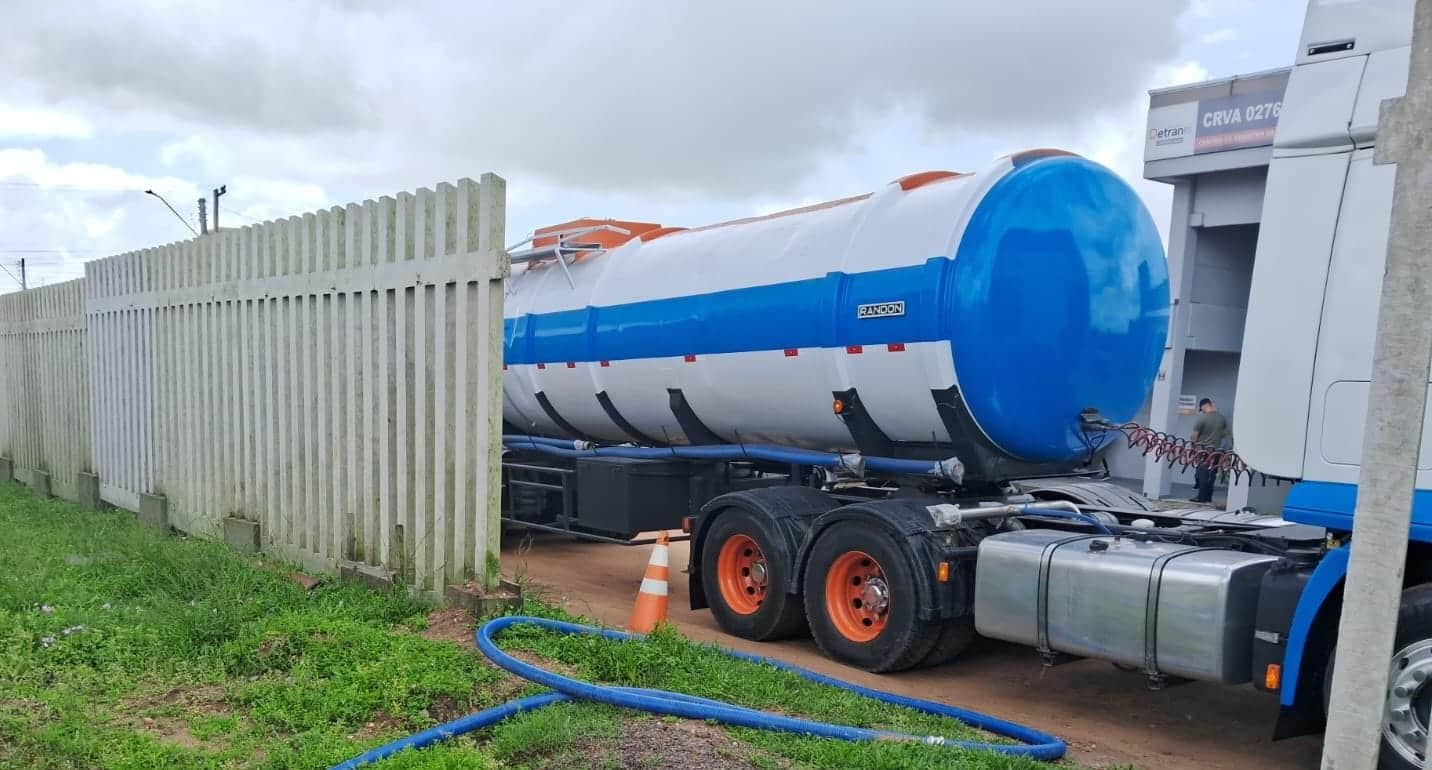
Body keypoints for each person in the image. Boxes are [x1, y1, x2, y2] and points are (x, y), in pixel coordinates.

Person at [1190, 398, 1230, 504]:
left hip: (1203, 451)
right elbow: (1224, 434)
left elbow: (1194, 436)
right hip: (1216, 451)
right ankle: (1208, 497)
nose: (1201, 411)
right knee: (1212, 473)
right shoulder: (1222, 418)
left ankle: (1201, 497)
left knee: (1202, 473)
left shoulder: (1202, 418)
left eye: (1201, 408)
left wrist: (1193, 447)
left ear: (1204, 406)